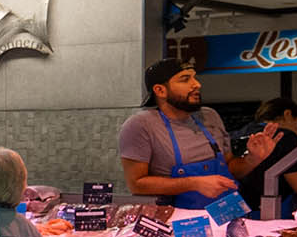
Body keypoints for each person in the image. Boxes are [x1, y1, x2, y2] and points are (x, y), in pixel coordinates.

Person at [117, 59, 275, 209]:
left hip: (228, 213)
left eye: (195, 78)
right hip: (180, 223)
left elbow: (230, 168)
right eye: (185, 79)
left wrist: (252, 159)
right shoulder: (141, 125)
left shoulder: (209, 116)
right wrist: (194, 183)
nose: (197, 84)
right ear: (160, 90)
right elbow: (136, 184)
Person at [237, 97, 297, 219]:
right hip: (271, 213)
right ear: (288, 114)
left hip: (239, 211)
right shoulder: (285, 136)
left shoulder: (243, 132)